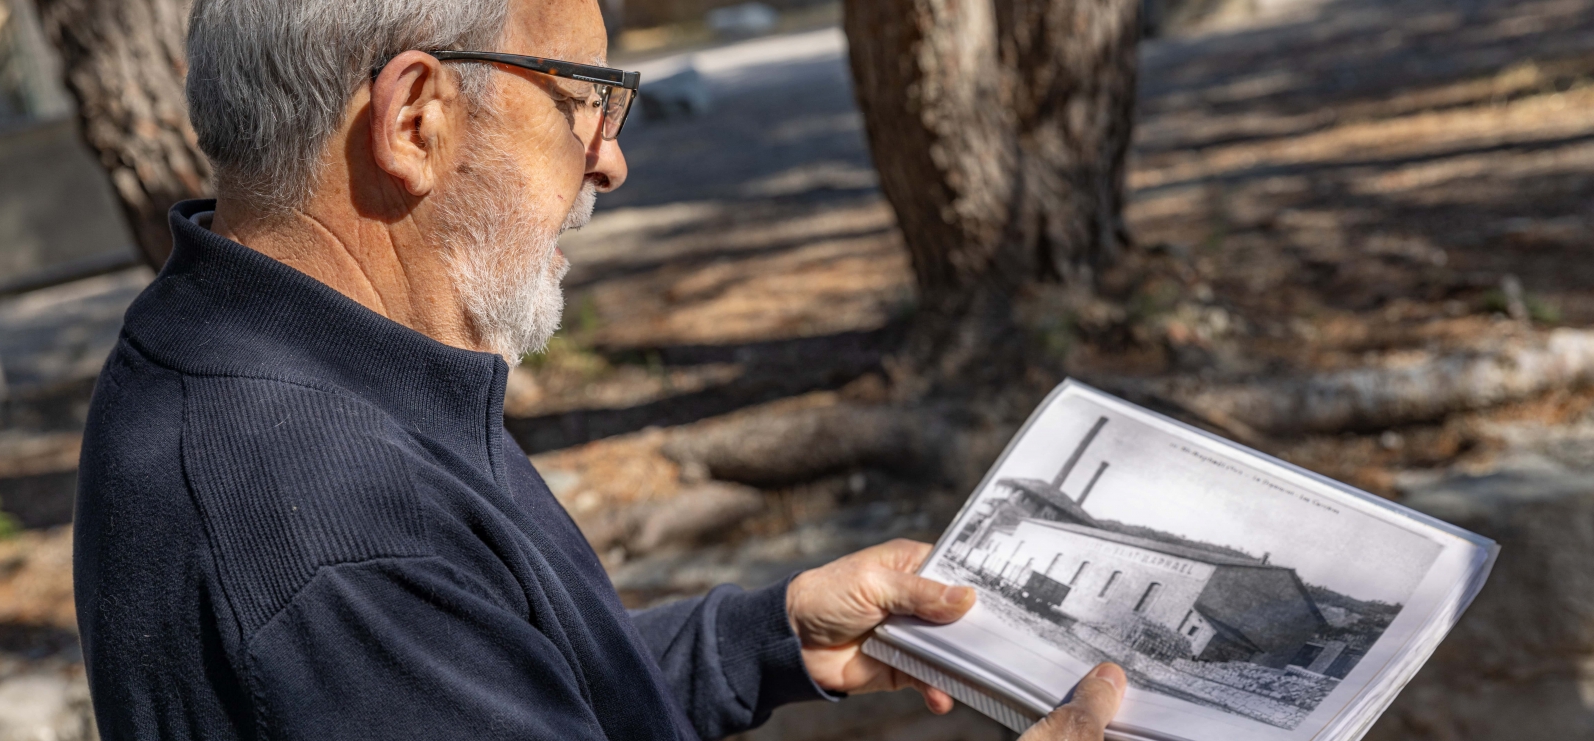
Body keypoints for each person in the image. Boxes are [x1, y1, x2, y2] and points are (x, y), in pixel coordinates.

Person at [73, 0, 1127, 739]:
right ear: (416, 119)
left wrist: (763, 640)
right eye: (585, 97)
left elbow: (488, 683)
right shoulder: (333, 522)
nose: (610, 158)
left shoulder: (259, 351)